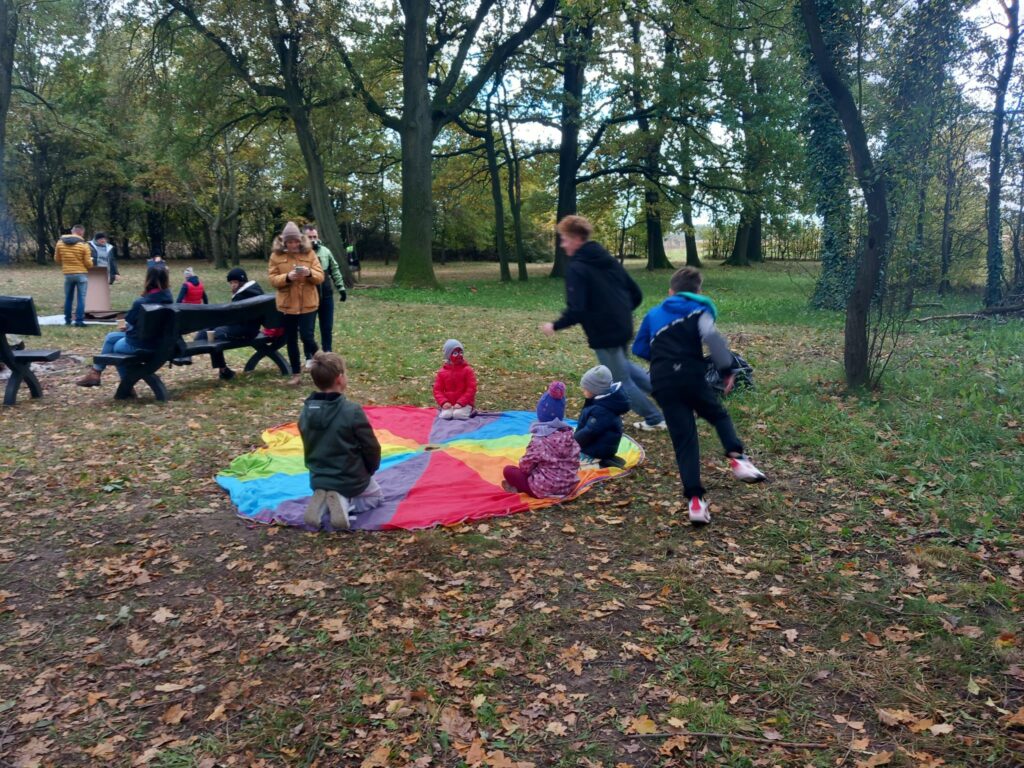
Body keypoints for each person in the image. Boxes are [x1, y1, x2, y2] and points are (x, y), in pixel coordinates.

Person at [632, 266, 766, 525]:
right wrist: (726, 370)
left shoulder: (653, 314)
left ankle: (695, 502)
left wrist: (661, 359)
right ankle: (738, 459)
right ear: (698, 291)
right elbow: (713, 340)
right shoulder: (700, 309)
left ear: (670, 292)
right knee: (718, 415)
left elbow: (639, 347)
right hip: (691, 376)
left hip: (662, 381)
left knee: (685, 441)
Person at [540, 215, 665, 431]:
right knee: (625, 368)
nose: (562, 244)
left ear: (577, 238)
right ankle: (670, 397)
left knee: (619, 380)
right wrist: (620, 313)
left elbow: (577, 309)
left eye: (565, 239)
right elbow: (635, 293)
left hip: (604, 333)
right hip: (623, 326)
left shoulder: (577, 268)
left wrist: (555, 325)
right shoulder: (606, 259)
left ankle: (655, 418)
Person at [300, 351, 383, 531]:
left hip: (318, 478)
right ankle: (344, 502)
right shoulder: (351, 411)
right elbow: (371, 447)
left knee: (331, 487)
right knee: (375, 497)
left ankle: (324, 503)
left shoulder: (306, 411)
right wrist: (370, 470)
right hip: (350, 478)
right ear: (339, 378)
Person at [75, 266, 174, 388]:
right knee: (110, 337)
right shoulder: (169, 300)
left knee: (116, 347)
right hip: (162, 343)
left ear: (148, 279)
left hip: (143, 345)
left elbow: (129, 323)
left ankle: (125, 386)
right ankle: (96, 373)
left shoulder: (141, 303)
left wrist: (125, 326)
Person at [268, 221, 324, 385]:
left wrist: (309, 273)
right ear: (284, 242)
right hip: (287, 305)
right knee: (291, 339)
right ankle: (296, 375)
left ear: (300, 240)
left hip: (308, 303)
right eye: (290, 242)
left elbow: (320, 276)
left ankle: (326, 362)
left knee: (307, 336)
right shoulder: (276, 256)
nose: (293, 244)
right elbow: (272, 279)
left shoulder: (309, 253)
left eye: (296, 241)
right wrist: (287, 277)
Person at [502, 381, 581, 498]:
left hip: (543, 489)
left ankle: (522, 487)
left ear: (540, 414)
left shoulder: (540, 440)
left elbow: (525, 466)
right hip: (568, 487)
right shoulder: (569, 436)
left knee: (509, 471)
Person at [195, 267, 266, 381]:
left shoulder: (243, 295)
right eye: (231, 283)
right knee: (209, 331)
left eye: (235, 282)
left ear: (242, 282)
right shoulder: (252, 291)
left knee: (214, 334)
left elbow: (233, 318)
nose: (232, 285)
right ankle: (221, 368)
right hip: (245, 328)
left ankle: (222, 369)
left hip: (246, 331)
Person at [574, 365, 629, 469]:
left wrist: (573, 442)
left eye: (585, 388)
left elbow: (589, 432)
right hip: (598, 444)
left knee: (570, 461)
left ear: (595, 390)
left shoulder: (602, 410)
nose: (582, 390)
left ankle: (602, 461)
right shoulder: (601, 402)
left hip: (598, 449)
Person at [302, 224, 347, 353]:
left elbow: (335, 269)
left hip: (326, 296)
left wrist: (341, 288)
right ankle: (309, 356)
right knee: (308, 330)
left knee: (327, 327)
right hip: (308, 297)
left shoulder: (325, 251)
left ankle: (328, 353)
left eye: (315, 236)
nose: (313, 239)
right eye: (309, 237)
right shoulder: (300, 254)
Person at [55, 225, 93, 327]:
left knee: (68, 298)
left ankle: (67, 320)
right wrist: (91, 262)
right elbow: (88, 263)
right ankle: (79, 321)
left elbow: (57, 259)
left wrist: (67, 262)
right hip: (81, 274)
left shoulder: (60, 243)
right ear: (81, 232)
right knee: (81, 298)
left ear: (72, 231)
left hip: (68, 274)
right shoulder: (84, 245)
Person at [433, 339, 477, 419]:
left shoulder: (467, 370)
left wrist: (461, 402)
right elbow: (437, 390)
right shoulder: (442, 372)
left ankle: (471, 411)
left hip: (465, 403)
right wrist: (443, 402)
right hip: (449, 404)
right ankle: (449, 411)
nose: (459, 355)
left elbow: (471, 389)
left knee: (458, 415)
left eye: (461, 353)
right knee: (445, 416)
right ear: (448, 355)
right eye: (455, 353)